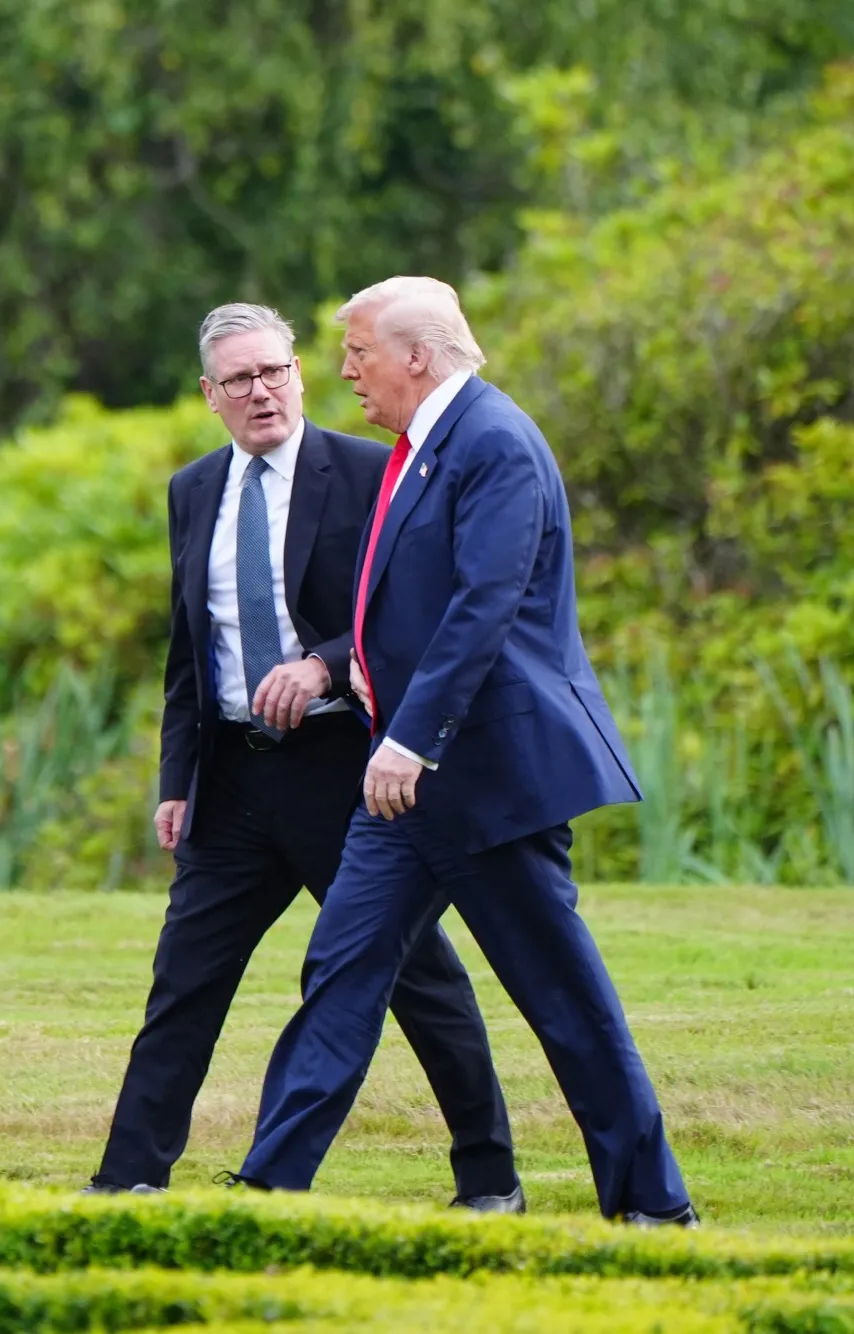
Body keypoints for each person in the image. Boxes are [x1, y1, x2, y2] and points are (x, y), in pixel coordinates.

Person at [228, 277, 698, 1227]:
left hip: (484, 778)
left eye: (357, 351)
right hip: (402, 790)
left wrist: (410, 737)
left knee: (563, 1001)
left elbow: (484, 608)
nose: (346, 371)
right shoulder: (423, 444)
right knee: (341, 975)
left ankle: (653, 1204)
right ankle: (265, 1194)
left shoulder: (494, 441)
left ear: (416, 355)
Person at [84, 302, 522, 1210]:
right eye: (239, 380)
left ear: (300, 373)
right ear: (211, 396)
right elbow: (187, 651)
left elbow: (405, 612)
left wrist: (323, 664)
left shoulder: (371, 472)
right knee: (182, 985)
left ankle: (489, 1178)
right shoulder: (193, 490)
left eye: (274, 371)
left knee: (418, 977)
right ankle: (128, 1180)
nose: (262, 392)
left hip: (342, 772)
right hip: (233, 784)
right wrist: (177, 781)